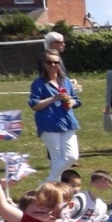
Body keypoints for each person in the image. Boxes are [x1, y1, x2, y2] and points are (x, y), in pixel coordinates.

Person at [31, 49, 82, 182]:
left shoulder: (66, 81)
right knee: (57, 158)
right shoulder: (39, 83)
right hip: (48, 123)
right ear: (44, 64)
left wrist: (71, 101)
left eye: (56, 62)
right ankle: (54, 189)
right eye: (49, 62)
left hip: (67, 121)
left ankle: (47, 183)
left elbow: (76, 100)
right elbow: (34, 105)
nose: (53, 65)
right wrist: (54, 98)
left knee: (72, 157)